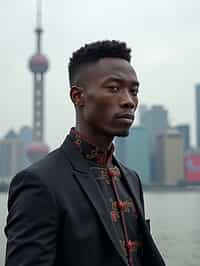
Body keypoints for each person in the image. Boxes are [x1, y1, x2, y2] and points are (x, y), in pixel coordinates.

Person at [5, 40, 165, 266]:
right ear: (78, 96)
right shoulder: (40, 183)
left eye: (134, 91)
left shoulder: (130, 179)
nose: (129, 101)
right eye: (114, 89)